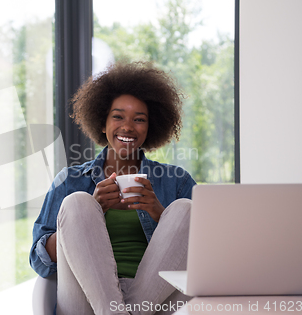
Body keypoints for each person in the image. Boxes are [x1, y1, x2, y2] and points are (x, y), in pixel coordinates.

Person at [30, 61, 196, 315]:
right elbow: (39, 261)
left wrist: (160, 214)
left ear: (151, 127)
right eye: (118, 116)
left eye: (139, 119)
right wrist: (89, 214)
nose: (128, 127)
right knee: (78, 202)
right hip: (85, 299)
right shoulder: (70, 180)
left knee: (185, 209)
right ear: (102, 121)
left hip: (154, 302)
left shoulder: (176, 181)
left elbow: (208, 257)